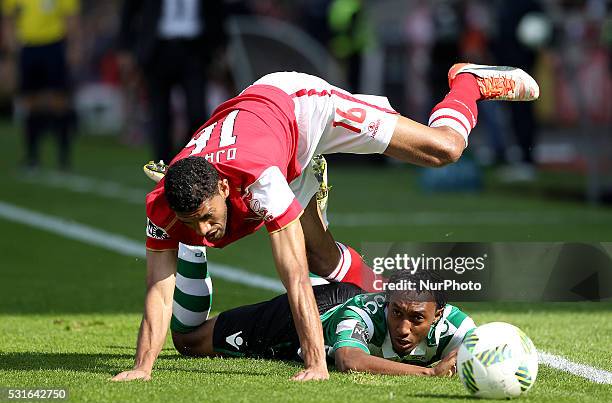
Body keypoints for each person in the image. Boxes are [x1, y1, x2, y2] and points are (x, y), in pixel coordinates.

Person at [112, 64, 539, 382]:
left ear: (224, 189)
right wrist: (142, 368)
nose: (204, 230)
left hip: (304, 108)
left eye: (206, 217)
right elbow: (157, 287)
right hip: (268, 142)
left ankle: (470, 82)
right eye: (192, 222)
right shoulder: (163, 204)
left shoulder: (262, 184)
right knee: (320, 254)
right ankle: (378, 292)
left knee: (442, 150)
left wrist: (317, 363)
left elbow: (296, 279)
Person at [171, 270, 474, 377]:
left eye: (417, 318)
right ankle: (190, 245)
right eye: (396, 313)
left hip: (339, 300)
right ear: (386, 302)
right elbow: (349, 361)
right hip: (303, 320)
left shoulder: (454, 325)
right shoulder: (365, 312)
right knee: (188, 341)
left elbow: (485, 342)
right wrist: (430, 372)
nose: (404, 328)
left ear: (438, 315)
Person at [117, 0, 227, 162]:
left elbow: (216, 9)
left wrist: (220, 44)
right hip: (159, 48)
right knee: (160, 114)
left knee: (197, 112)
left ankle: (190, 161)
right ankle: (163, 168)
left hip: (195, 49)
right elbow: (130, 9)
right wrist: (125, 48)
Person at [1, 0, 80, 170]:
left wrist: (73, 46)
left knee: (59, 101)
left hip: (55, 44)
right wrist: (10, 52)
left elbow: (71, 17)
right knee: (30, 101)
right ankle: (32, 155)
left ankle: (63, 156)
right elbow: (8, 19)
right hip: (27, 46)